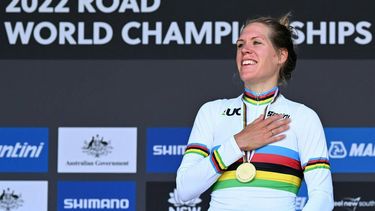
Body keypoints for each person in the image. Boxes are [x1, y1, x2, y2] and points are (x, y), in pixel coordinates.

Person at [176, 13, 333, 211]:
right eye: (240, 45)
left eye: (256, 42)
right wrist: (237, 143)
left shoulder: (303, 117)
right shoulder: (212, 112)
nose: (245, 50)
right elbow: (184, 190)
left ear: (280, 56)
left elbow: (323, 198)